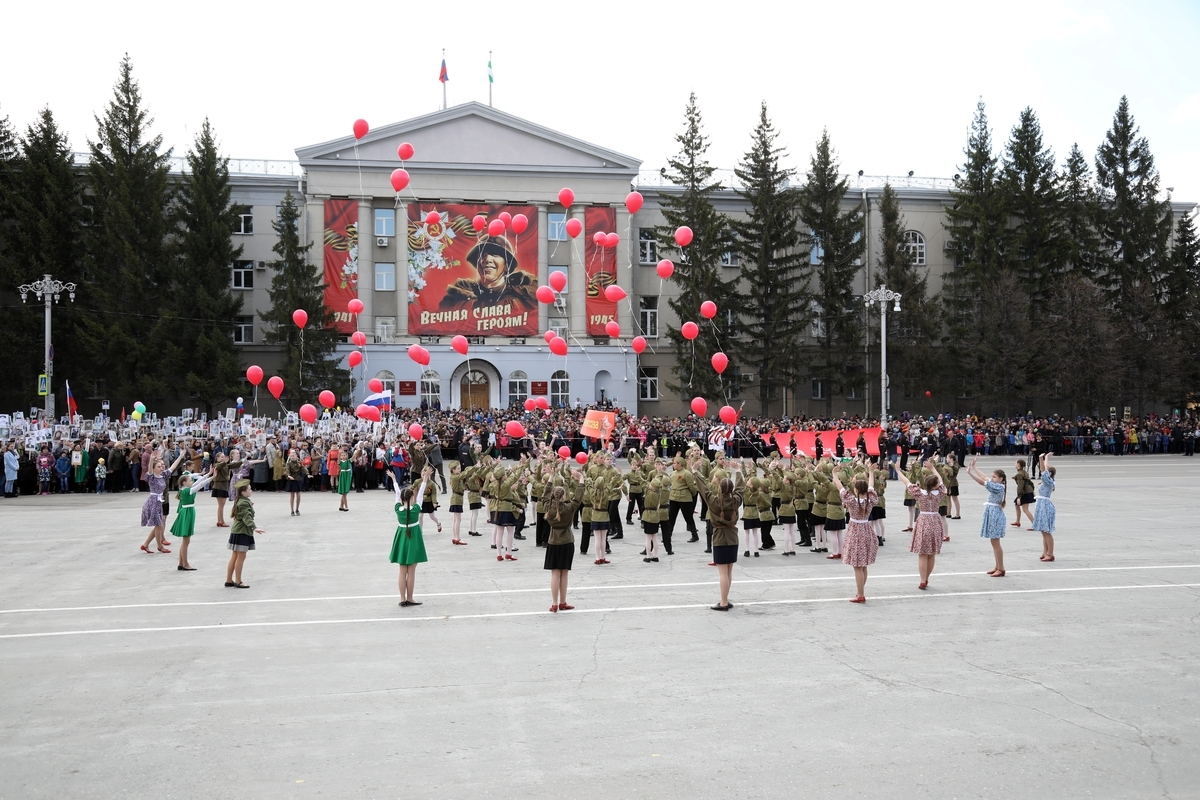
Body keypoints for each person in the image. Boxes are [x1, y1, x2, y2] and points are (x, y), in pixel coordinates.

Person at [439, 235, 538, 313]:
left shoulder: (523, 294)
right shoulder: (460, 294)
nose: (487, 260)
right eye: (483, 255)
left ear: (506, 265)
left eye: (495, 254)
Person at [696, 470, 745, 611]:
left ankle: (723, 602)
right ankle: (726, 598)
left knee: (723, 573)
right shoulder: (736, 500)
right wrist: (738, 472)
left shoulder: (715, 501)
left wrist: (695, 472)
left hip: (720, 537)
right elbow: (740, 489)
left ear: (720, 488)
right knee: (729, 571)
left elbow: (704, 489)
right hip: (733, 536)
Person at [833, 462, 878, 603]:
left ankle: (861, 594)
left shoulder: (852, 501)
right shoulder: (871, 499)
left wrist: (834, 474)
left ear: (857, 490)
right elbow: (871, 486)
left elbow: (840, 487)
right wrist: (871, 472)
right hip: (867, 529)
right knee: (863, 564)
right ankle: (860, 591)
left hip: (855, 531)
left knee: (857, 565)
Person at [898, 459, 944, 590]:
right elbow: (941, 481)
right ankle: (927, 578)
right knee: (932, 553)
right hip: (935, 520)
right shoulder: (940, 492)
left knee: (922, 554)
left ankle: (922, 579)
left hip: (923, 520)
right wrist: (933, 468)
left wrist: (897, 471)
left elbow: (907, 482)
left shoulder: (920, 493)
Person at [543, 472, 585, 611]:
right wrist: (581, 479)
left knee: (554, 574)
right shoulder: (568, 508)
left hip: (553, 541)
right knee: (564, 573)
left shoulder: (548, 507)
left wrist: (550, 478)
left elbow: (545, 495)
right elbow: (578, 499)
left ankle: (554, 603)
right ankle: (563, 601)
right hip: (566, 541)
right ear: (563, 496)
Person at [387, 468, 428, 607]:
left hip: (401, 538)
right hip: (414, 538)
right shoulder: (416, 509)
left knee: (402, 570)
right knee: (411, 571)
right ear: (412, 498)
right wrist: (425, 480)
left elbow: (398, 495)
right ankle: (410, 598)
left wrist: (394, 481)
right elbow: (421, 494)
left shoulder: (398, 508)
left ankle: (402, 598)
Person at [966, 456, 1008, 576]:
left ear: (1001, 479)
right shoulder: (997, 484)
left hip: (995, 514)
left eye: (995, 477)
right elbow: (985, 477)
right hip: (992, 512)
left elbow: (982, 482)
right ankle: (998, 566)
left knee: (996, 543)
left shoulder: (999, 486)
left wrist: (970, 473)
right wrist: (974, 467)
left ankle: (1001, 568)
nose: (992, 479)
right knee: (994, 542)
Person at [141, 451, 186, 554]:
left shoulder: (163, 476)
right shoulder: (151, 477)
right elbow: (149, 471)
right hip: (153, 502)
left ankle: (145, 544)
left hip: (159, 502)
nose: (161, 468)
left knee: (158, 525)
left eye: (161, 466)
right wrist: (152, 460)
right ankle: (160, 546)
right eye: (158, 467)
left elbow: (173, 467)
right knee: (159, 525)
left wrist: (180, 456)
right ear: (153, 468)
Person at [171, 468, 215, 571]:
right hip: (187, 513)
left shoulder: (185, 489)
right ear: (184, 483)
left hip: (187, 512)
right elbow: (200, 485)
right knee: (186, 541)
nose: (192, 482)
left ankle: (181, 563)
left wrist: (208, 474)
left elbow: (198, 482)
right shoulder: (187, 490)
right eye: (190, 480)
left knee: (185, 541)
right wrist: (211, 477)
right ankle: (185, 564)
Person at [226, 479, 263, 588]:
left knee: (235, 556)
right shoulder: (243, 503)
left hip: (237, 531)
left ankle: (229, 580)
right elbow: (247, 517)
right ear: (243, 492)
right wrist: (255, 528)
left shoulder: (241, 500)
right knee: (240, 557)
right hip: (242, 532)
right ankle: (238, 580)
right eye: (249, 489)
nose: (251, 491)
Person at [1031, 451, 1057, 562]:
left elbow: (1043, 469)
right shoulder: (1047, 480)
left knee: (1046, 531)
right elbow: (1045, 468)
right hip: (1041, 504)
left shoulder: (1048, 481)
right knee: (1043, 531)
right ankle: (1045, 551)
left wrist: (1041, 459)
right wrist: (1046, 457)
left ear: (1049, 474)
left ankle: (1050, 553)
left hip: (1045, 505)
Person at [1011, 459, 1035, 528]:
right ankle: (1017, 521)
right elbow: (1029, 482)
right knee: (1016, 505)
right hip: (1028, 491)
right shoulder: (1024, 472)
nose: (1015, 464)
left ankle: (1035, 524)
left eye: (1015, 463)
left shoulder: (1019, 474)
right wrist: (1032, 491)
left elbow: (1020, 486)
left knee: (1025, 509)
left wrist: (1019, 497)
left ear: (1018, 465)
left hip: (1024, 492)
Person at [285, 449, 304, 515]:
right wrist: (288, 476)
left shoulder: (299, 462)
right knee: (292, 495)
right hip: (291, 480)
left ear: (296, 456)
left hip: (297, 479)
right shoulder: (288, 463)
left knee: (298, 495)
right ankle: (292, 510)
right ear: (290, 456)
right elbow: (286, 470)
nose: (293, 456)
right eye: (291, 455)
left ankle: (297, 509)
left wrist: (308, 474)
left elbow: (303, 469)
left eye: (294, 455)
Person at [336, 446, 354, 511]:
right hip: (343, 476)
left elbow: (353, 457)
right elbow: (338, 460)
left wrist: (358, 450)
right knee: (344, 493)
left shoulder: (348, 461)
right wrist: (339, 453)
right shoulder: (340, 462)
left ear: (347, 456)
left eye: (345, 455)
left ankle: (341, 506)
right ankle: (346, 506)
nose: (343, 456)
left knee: (345, 493)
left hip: (348, 476)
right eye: (342, 455)